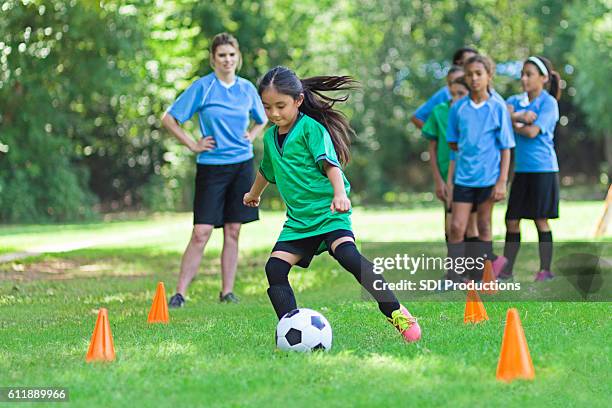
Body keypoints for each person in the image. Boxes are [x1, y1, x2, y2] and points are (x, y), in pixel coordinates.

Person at [243, 66, 421, 342]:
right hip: (299, 222)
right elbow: (267, 170)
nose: (274, 113)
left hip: (329, 213)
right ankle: (291, 328)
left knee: (349, 257)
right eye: (267, 107)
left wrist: (340, 194)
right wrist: (254, 194)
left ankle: (395, 310)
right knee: (274, 269)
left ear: (299, 100)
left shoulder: (310, 129)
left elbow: (330, 164)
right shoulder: (269, 137)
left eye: (281, 105)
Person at [161, 33, 267, 307]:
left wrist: (253, 134)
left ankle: (227, 292)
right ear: (213, 59)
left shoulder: (246, 89)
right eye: (222, 55)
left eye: (231, 55)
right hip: (211, 168)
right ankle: (180, 293)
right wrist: (193, 145)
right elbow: (169, 119)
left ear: (238, 57)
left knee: (233, 230)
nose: (227, 60)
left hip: (241, 167)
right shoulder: (203, 87)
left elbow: (263, 117)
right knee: (201, 232)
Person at [445, 55, 515, 282]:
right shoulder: (458, 108)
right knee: (457, 227)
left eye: (478, 74)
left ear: (489, 75)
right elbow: (453, 142)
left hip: (489, 178)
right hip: (464, 178)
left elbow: (506, 148)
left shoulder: (498, 107)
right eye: (469, 74)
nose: (474, 79)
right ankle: (455, 276)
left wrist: (502, 181)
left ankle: (486, 276)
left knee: (485, 225)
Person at [501, 56, 562, 281]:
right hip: (522, 170)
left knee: (540, 219)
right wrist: (519, 117)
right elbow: (501, 112)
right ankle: (507, 270)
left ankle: (545, 270)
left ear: (544, 78)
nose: (524, 79)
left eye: (530, 74)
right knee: (512, 220)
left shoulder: (548, 103)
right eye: (523, 74)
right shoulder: (516, 100)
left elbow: (532, 132)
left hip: (543, 169)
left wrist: (514, 124)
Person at [421, 70, 473, 241]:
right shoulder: (440, 111)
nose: (456, 98)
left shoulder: (474, 112)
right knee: (452, 221)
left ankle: (475, 266)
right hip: (447, 173)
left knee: (472, 223)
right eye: (453, 92)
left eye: (461, 93)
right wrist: (440, 180)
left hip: (473, 175)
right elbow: (437, 148)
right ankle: (455, 266)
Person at [410, 47, 478, 129]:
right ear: (459, 63)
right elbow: (417, 117)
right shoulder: (445, 93)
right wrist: (436, 136)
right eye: (470, 61)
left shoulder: (483, 92)